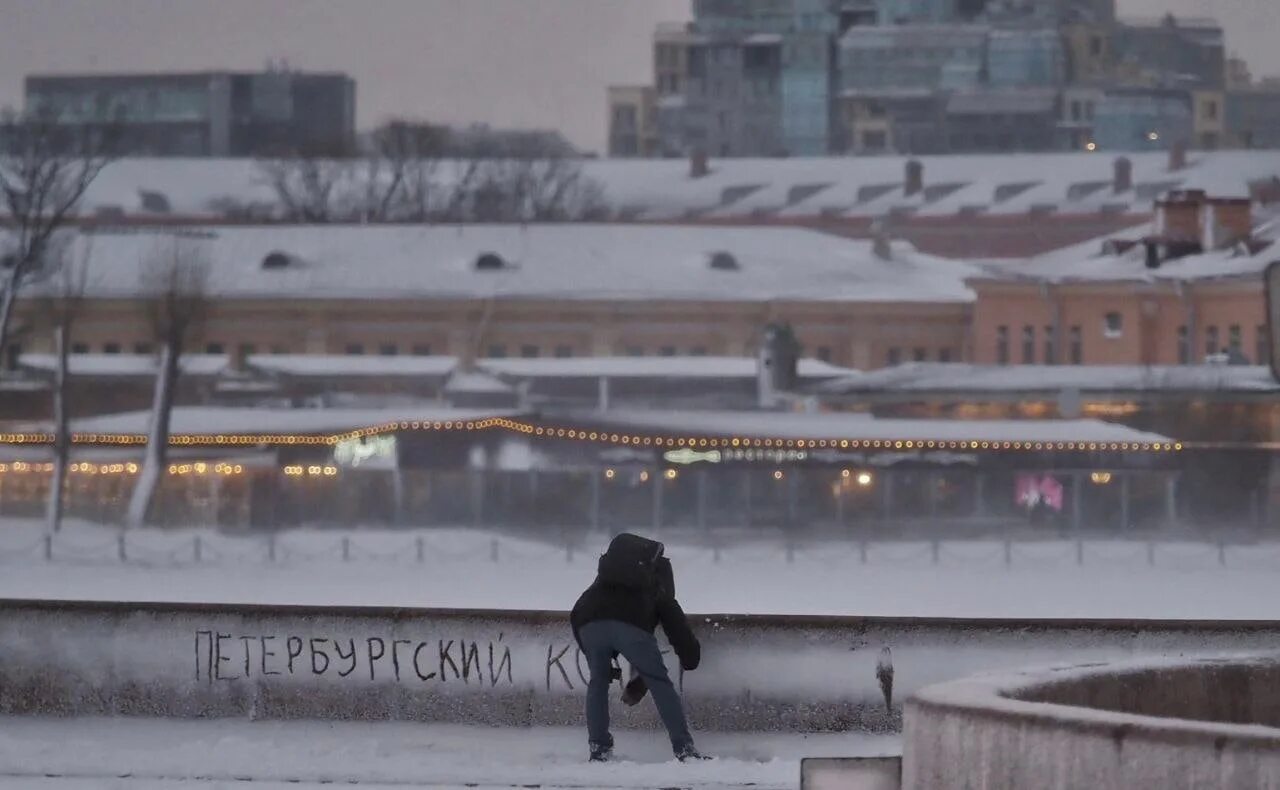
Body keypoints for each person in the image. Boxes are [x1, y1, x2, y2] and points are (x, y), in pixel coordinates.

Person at [571, 532, 705, 763]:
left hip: (588, 623)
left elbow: (578, 613)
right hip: (631, 628)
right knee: (660, 683)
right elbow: (675, 623)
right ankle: (684, 749)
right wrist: (690, 657)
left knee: (598, 682)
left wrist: (597, 657)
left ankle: (599, 749)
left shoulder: (606, 576)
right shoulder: (657, 576)